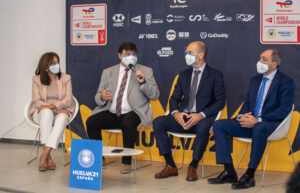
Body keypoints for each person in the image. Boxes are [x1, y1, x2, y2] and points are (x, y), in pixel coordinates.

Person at [208, 49, 295, 189]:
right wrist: (242, 116)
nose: (260, 61)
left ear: (273, 64)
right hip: (251, 122)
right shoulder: (255, 80)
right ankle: (229, 172)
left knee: (259, 127)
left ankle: (250, 175)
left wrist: (258, 120)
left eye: (264, 59)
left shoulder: (286, 81)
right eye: (260, 57)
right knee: (219, 125)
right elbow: (247, 103)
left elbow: (284, 110)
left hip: (269, 125)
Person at [153, 41, 226, 181]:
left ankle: (193, 166)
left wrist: (201, 115)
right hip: (183, 116)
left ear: (201, 55)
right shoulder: (183, 75)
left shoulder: (215, 75)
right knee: (158, 122)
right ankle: (170, 165)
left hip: (202, 118)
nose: (186, 55)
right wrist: (175, 113)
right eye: (186, 53)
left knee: (204, 125)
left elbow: (220, 102)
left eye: (190, 53)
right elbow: (174, 99)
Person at [86, 42, 160, 174]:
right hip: (111, 111)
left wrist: (143, 82)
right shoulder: (108, 72)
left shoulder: (145, 71)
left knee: (128, 122)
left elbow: (155, 95)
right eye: (127, 54)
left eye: (133, 55)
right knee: (91, 122)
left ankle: (127, 162)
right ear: (119, 56)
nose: (131, 57)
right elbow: (97, 96)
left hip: (134, 112)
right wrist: (102, 97)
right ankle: (98, 158)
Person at [29, 52, 75, 171]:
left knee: (62, 118)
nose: (57, 65)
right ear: (45, 66)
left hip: (63, 109)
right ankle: (47, 156)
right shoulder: (36, 80)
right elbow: (36, 100)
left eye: (57, 62)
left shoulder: (66, 78)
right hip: (42, 111)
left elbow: (68, 99)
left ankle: (44, 155)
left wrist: (56, 106)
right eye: (53, 63)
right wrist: (51, 107)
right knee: (46, 113)